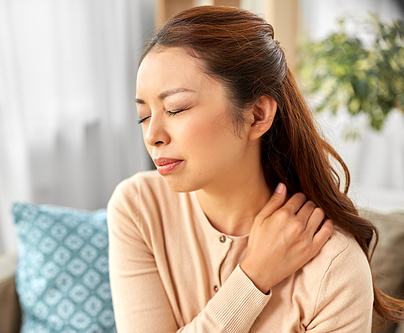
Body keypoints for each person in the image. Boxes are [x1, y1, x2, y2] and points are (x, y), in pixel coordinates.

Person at [107, 6, 404, 332]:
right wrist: (254, 276)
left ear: (258, 114)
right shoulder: (138, 207)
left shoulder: (334, 265)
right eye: (144, 116)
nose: (152, 136)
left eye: (176, 109)